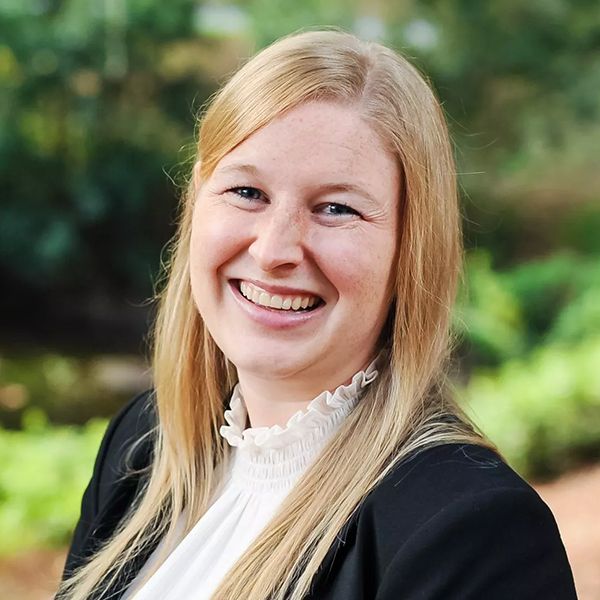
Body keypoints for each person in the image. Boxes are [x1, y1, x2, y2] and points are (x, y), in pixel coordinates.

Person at [57, 30, 577, 600]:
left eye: (336, 208)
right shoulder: (140, 445)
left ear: (411, 248)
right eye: (247, 193)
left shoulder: (476, 533)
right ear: (197, 201)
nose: (275, 249)